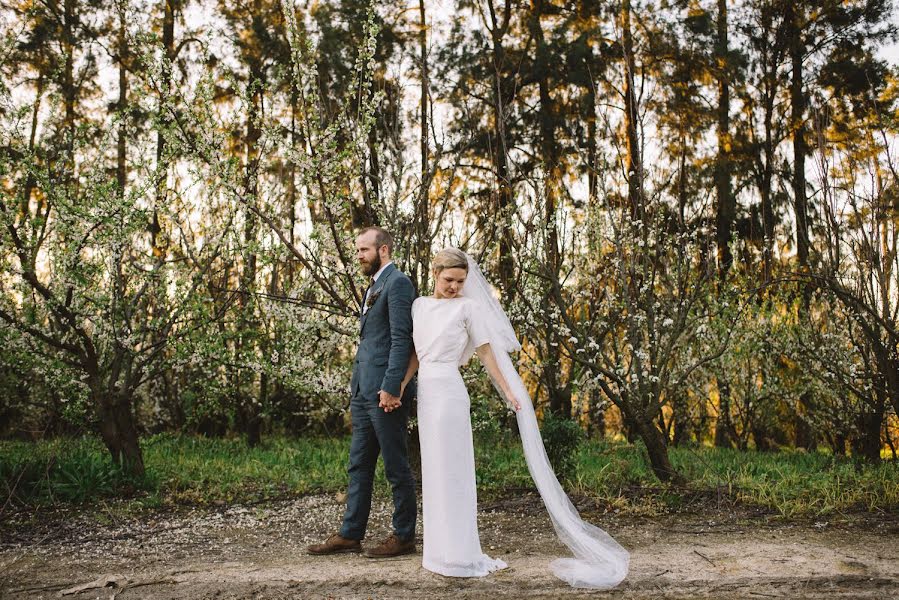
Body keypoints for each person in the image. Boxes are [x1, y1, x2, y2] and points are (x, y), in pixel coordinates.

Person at [396, 247, 629, 588]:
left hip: (449, 394)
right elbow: (416, 352)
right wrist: (401, 385)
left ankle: (460, 553)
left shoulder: (469, 308)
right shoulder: (420, 306)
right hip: (426, 394)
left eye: (460, 281)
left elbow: (486, 351)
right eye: (449, 280)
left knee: (453, 471)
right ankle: (438, 553)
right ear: (434, 274)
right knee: (433, 470)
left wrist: (508, 391)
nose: (454, 287)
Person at [307, 227, 418, 559]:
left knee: (396, 466)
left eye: (363, 250)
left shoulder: (398, 284)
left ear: (383, 250)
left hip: (385, 393)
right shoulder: (373, 286)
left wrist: (391, 386)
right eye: (357, 250)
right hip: (363, 390)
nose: (358, 256)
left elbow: (403, 339)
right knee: (358, 465)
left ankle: (404, 536)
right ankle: (350, 534)